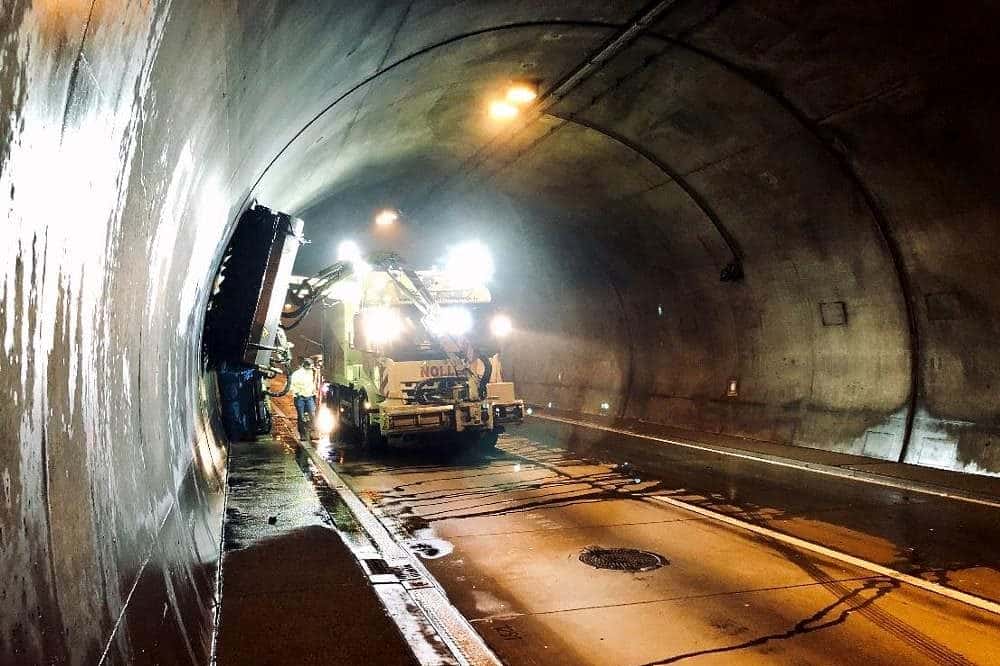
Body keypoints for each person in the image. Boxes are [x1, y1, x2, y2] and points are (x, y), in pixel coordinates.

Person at [289, 357, 318, 440]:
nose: (311, 369)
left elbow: (312, 383)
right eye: (310, 367)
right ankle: (303, 435)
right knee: (301, 417)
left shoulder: (311, 372)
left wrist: (313, 392)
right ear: (305, 366)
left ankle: (313, 433)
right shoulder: (296, 374)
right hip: (300, 398)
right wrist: (297, 393)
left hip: (309, 397)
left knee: (312, 415)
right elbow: (291, 385)